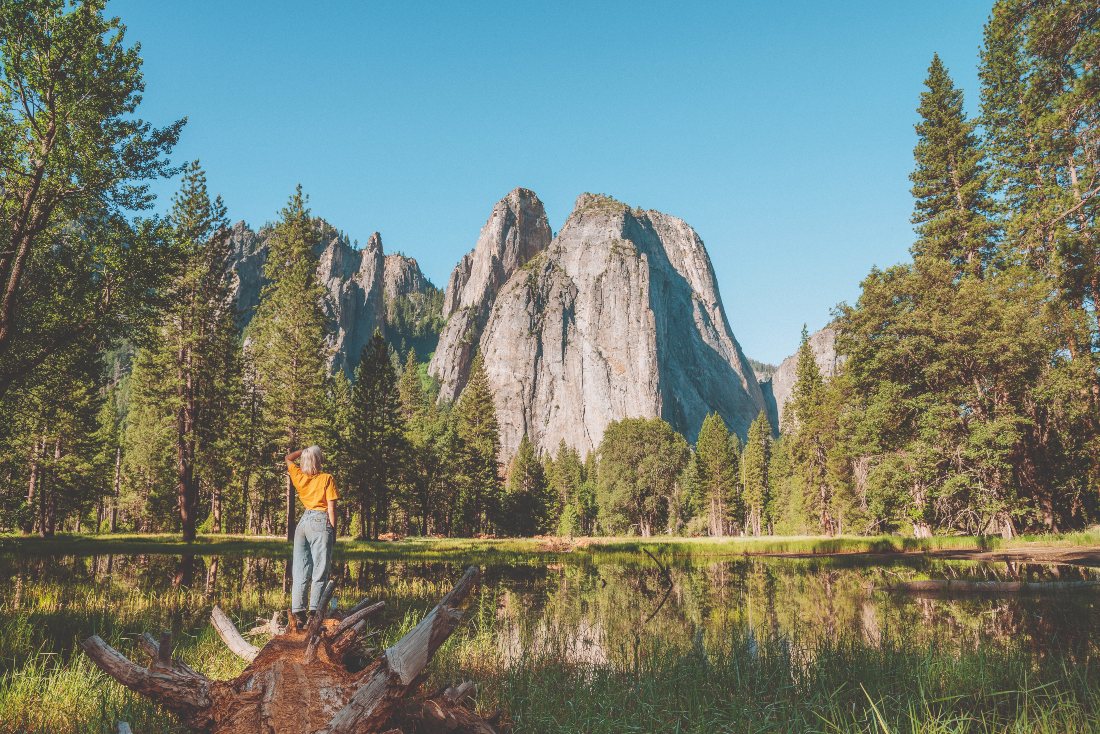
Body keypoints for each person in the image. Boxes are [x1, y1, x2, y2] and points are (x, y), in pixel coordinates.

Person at [285, 445, 338, 626]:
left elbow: (288, 458)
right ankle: (315, 610)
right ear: (318, 460)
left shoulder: (299, 476)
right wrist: (333, 529)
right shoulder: (327, 478)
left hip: (303, 523)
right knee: (320, 569)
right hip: (320, 521)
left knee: (300, 569)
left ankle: (298, 612)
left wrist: (303, 451)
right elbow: (331, 508)